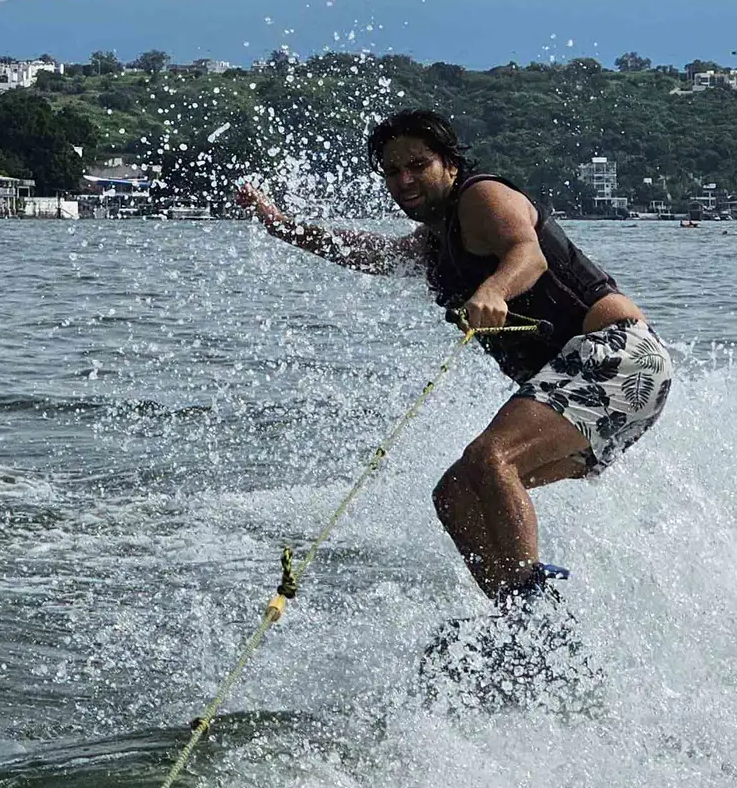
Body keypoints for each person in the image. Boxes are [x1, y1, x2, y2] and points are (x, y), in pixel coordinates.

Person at [239, 110, 673, 608]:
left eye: (417, 165)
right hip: (609, 390)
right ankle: (519, 618)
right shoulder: (436, 241)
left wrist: (494, 290)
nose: (404, 180)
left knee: (492, 457)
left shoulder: (482, 196)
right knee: (457, 493)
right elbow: (372, 253)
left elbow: (527, 254)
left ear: (449, 164)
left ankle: (533, 610)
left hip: (619, 354)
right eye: (392, 171)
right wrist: (283, 228)